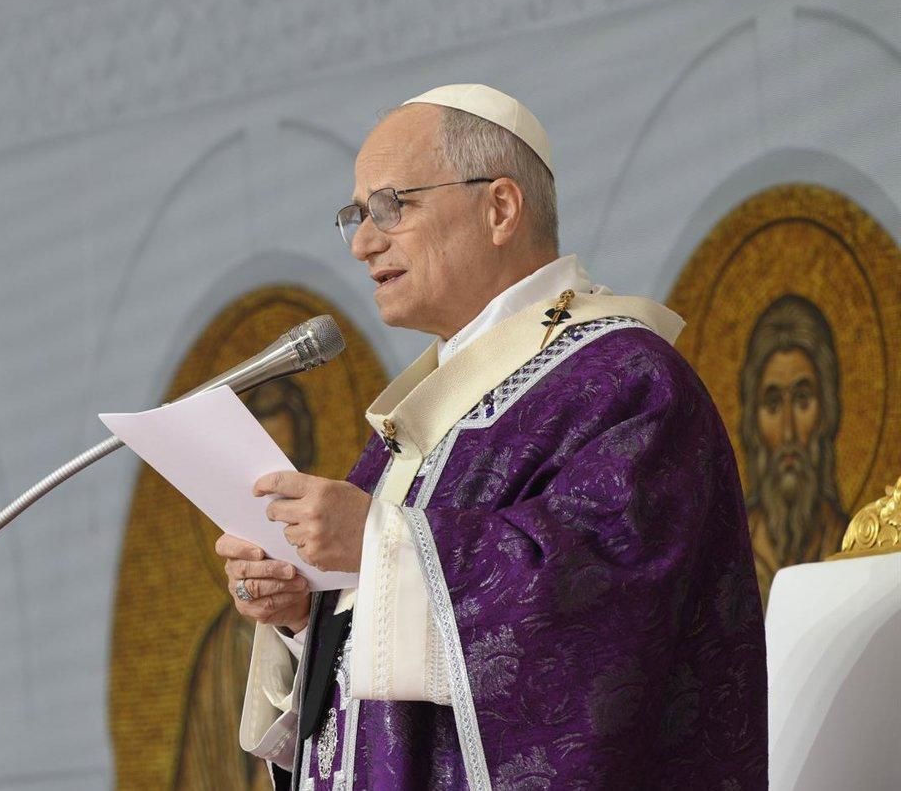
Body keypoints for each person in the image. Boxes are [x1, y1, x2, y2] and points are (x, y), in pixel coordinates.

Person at [217, 85, 767, 789]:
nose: (362, 243)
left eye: (391, 206)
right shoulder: (418, 422)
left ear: (500, 208)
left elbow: (605, 616)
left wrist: (380, 549)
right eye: (354, 216)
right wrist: (305, 611)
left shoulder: (623, 381)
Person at [175, 379, 315, 791]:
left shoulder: (343, 590)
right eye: (257, 484)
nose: (271, 503)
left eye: (283, 474)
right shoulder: (221, 649)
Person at [739, 294, 848, 601]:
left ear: (826, 410)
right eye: (772, 403)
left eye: (802, 400)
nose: (788, 431)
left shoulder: (852, 545)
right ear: (752, 422)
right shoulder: (730, 554)